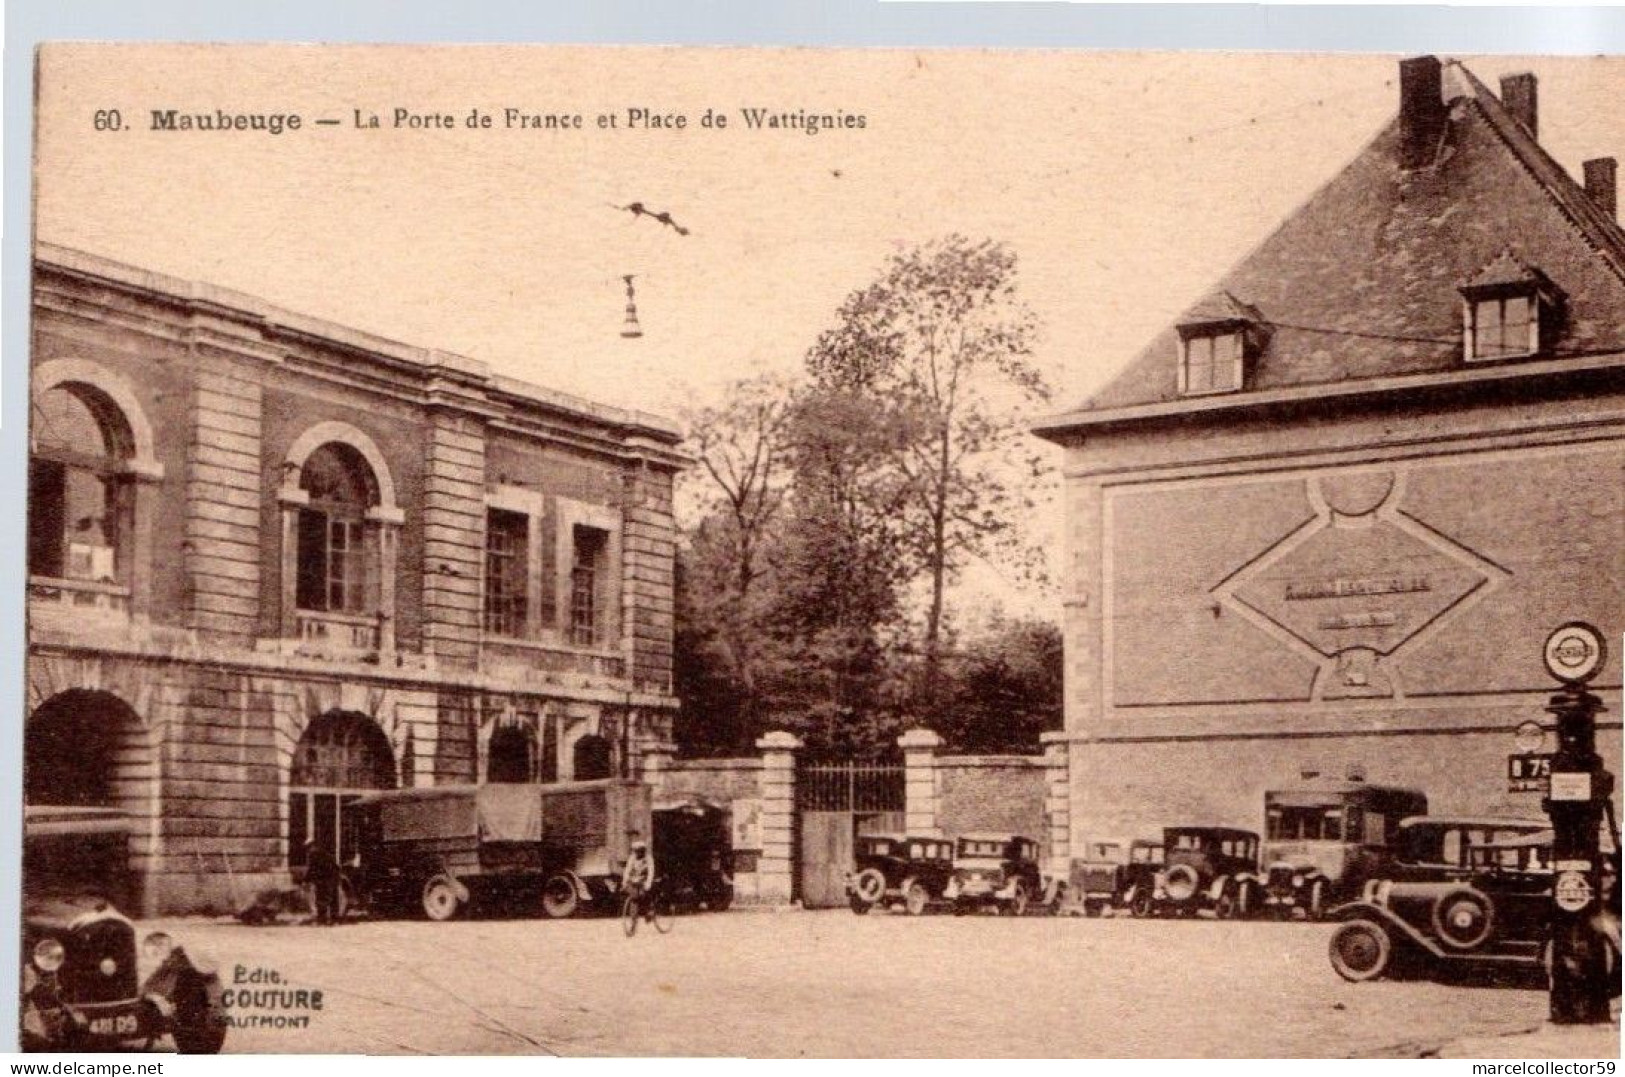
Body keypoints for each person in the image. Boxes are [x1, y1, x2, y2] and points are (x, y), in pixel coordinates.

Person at [304, 840, 342, 926]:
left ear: (311, 846)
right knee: (333, 900)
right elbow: (336, 866)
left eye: (308, 848)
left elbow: (312, 869)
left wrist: (306, 880)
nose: (308, 850)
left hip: (324, 880)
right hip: (333, 878)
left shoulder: (314, 855)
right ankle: (334, 920)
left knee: (321, 900)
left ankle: (322, 920)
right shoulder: (325, 853)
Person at [622, 838, 656, 920]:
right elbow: (628, 869)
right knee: (634, 895)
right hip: (636, 878)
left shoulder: (648, 858)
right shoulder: (632, 858)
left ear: (643, 851)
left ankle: (650, 910)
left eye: (640, 851)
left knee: (645, 893)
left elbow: (651, 871)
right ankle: (633, 918)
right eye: (636, 851)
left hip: (645, 878)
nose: (638, 853)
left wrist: (648, 883)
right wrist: (625, 880)